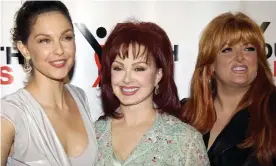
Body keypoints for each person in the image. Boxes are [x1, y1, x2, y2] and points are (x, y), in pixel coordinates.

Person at [94, 21, 210, 166]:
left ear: (158, 75)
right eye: (118, 68)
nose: (127, 79)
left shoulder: (185, 140)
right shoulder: (94, 134)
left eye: (139, 69)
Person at [1, 1, 97, 165]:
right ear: (24, 49)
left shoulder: (80, 97)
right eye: (45, 40)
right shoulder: (9, 113)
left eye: (66, 37)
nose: (59, 50)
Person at [180, 12, 276, 166]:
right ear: (210, 63)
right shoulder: (185, 113)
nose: (240, 57)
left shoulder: (272, 111)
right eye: (227, 50)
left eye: (249, 49)